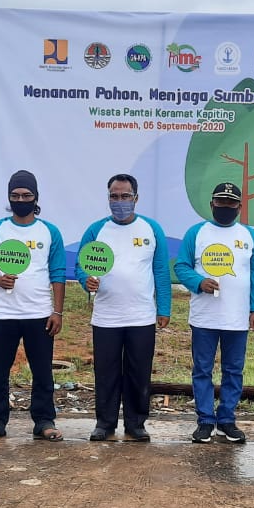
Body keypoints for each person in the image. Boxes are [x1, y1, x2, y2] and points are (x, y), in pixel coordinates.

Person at [75, 174, 171, 442]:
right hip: (106, 317)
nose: (119, 202)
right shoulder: (96, 231)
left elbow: (161, 271)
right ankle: (104, 424)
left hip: (141, 316)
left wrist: (164, 308)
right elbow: (81, 267)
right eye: (114, 197)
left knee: (139, 373)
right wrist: (86, 281)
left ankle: (136, 423)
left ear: (136, 198)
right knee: (106, 373)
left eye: (125, 196)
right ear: (108, 199)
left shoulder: (151, 229)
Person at [0, 170, 67, 443]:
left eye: (26, 195)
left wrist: (57, 311)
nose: (20, 199)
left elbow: (58, 273)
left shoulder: (49, 231)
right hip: (3, 314)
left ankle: (44, 421)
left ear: (36, 197)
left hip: (39, 313)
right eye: (15, 196)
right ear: (8, 198)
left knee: (42, 370)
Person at [174, 183, 254, 443]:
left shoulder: (248, 234)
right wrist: (198, 282)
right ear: (212, 204)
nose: (225, 207)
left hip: (237, 316)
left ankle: (226, 419)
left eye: (231, 203)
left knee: (233, 370)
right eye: (221, 203)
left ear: (239, 207)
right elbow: (181, 266)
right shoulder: (197, 232)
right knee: (202, 369)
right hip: (204, 316)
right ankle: (205, 420)